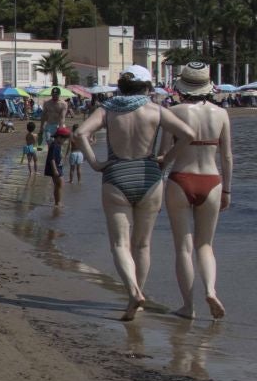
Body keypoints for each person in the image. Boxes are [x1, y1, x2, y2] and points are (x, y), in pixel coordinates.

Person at [72, 66, 197, 320]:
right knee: (142, 244)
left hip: (117, 174)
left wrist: (95, 163)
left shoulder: (107, 109)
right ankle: (137, 296)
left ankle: (133, 292)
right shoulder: (155, 110)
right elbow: (188, 135)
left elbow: (80, 133)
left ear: (121, 85)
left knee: (120, 243)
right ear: (147, 87)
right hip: (149, 176)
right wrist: (166, 160)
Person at [162, 63, 233, 320]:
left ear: (183, 85)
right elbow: (227, 156)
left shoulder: (173, 111)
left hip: (181, 178)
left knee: (183, 247)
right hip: (211, 180)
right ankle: (211, 290)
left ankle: (188, 307)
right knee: (206, 245)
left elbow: (164, 154)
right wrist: (227, 191)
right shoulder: (221, 114)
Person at [43, 126, 69, 206]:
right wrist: (55, 170)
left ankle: (57, 201)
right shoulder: (54, 145)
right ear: (58, 137)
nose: (65, 141)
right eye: (64, 139)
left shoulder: (58, 145)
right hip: (55, 168)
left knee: (58, 185)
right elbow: (52, 159)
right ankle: (58, 202)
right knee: (60, 184)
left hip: (58, 167)